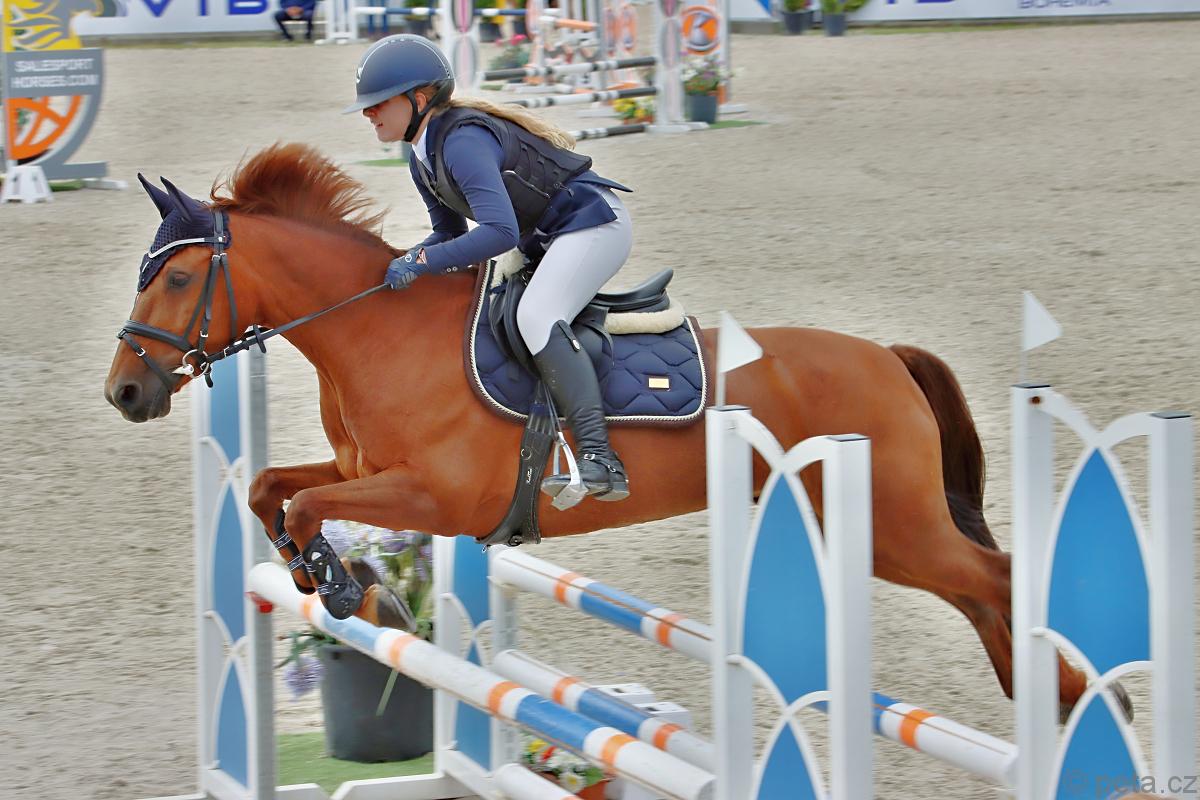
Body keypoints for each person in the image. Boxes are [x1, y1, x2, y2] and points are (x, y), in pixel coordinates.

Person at [344, 34, 633, 502]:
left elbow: (498, 233)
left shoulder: (462, 142)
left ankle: (601, 458)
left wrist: (422, 262)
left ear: (420, 99)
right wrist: (405, 259)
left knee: (536, 315)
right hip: (547, 236)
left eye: (380, 102)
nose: (368, 113)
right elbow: (449, 233)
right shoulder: (421, 155)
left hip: (592, 224)